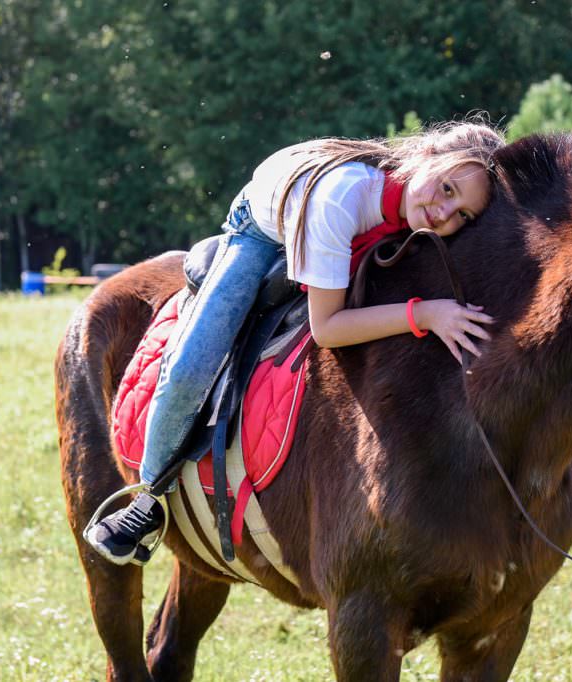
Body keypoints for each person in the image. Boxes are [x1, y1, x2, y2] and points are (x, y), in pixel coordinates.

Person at [84, 120, 505, 565]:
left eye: (462, 214)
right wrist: (424, 313)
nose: (444, 213)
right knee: (193, 363)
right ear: (424, 157)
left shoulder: (417, 209)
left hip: (345, 225)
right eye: (445, 189)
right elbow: (327, 328)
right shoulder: (341, 199)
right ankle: (148, 495)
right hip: (263, 231)